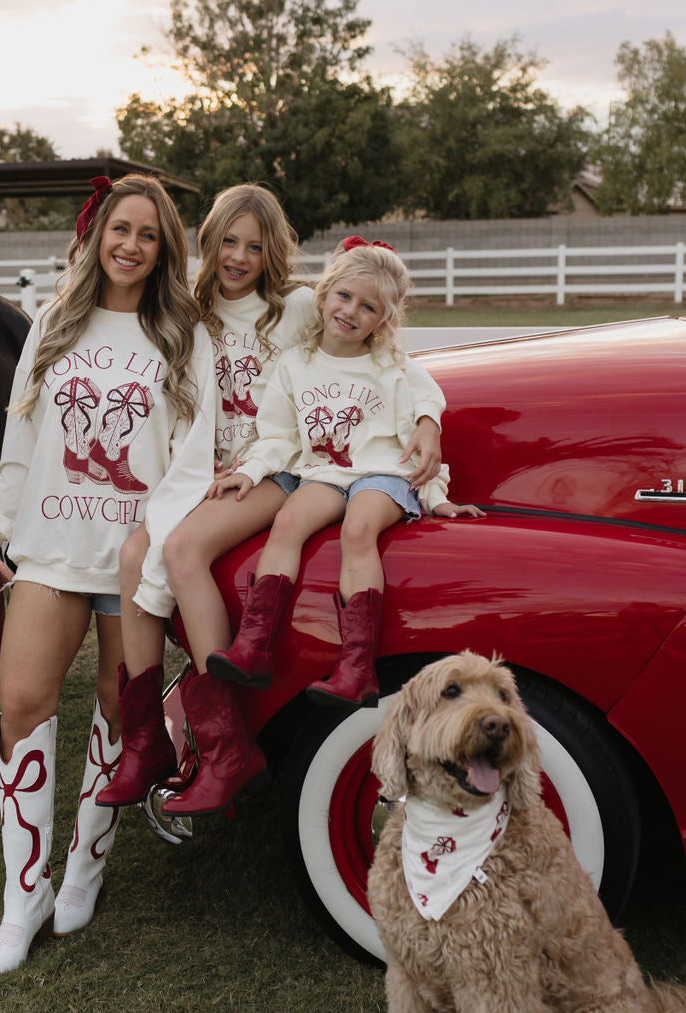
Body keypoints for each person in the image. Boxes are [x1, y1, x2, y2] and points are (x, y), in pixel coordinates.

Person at [0, 174, 216, 976]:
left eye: (148, 234)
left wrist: (156, 539)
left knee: (115, 706)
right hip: (51, 548)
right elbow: (21, 442)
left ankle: (86, 865)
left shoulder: (181, 333)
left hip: (135, 551)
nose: (130, 245)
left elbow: (194, 452)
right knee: (22, 699)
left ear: (164, 248)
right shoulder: (55, 323)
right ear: (97, 235)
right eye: (119, 229)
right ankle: (21, 894)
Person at [97, 184, 315, 818]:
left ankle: (224, 742)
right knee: (135, 553)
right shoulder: (192, 312)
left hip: (277, 467)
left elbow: (358, 360)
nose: (239, 257)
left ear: (273, 250)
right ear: (208, 241)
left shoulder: (294, 308)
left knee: (186, 546)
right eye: (228, 241)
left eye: (254, 245)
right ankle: (145, 743)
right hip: (203, 471)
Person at [206, 236, 483, 708]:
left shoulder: (389, 363)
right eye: (345, 296)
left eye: (369, 307)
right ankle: (255, 645)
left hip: (383, 473)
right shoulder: (297, 363)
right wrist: (250, 473)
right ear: (325, 293)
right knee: (288, 521)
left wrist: (430, 434)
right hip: (325, 473)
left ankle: (357, 666)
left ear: (384, 319)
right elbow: (276, 437)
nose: (352, 312)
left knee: (358, 529)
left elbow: (427, 399)